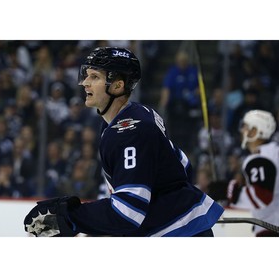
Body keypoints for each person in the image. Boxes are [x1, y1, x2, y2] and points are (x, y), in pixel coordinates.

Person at [24, 47, 224, 237]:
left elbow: (128, 213)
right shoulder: (139, 114)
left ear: (118, 85)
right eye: (86, 75)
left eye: (95, 77)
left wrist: (70, 217)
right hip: (183, 228)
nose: (85, 83)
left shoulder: (129, 132)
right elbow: (183, 166)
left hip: (177, 232)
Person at [224, 110, 279, 237]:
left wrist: (233, 195)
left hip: (270, 229)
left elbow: (261, 197)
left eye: (245, 126)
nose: (242, 130)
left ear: (255, 131)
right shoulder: (273, 152)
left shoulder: (260, 157)